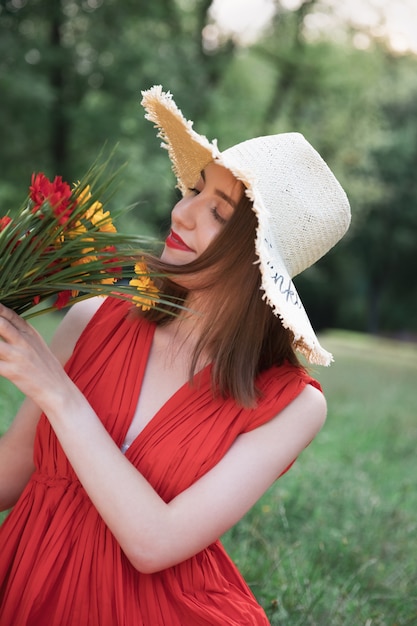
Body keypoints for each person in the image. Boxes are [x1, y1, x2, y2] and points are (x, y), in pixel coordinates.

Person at [0, 85, 350, 626]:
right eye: (193, 190)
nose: (181, 212)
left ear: (254, 258)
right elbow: (11, 477)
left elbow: (154, 543)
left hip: (155, 610)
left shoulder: (292, 405)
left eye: (217, 211)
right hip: (28, 580)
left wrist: (59, 393)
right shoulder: (93, 319)